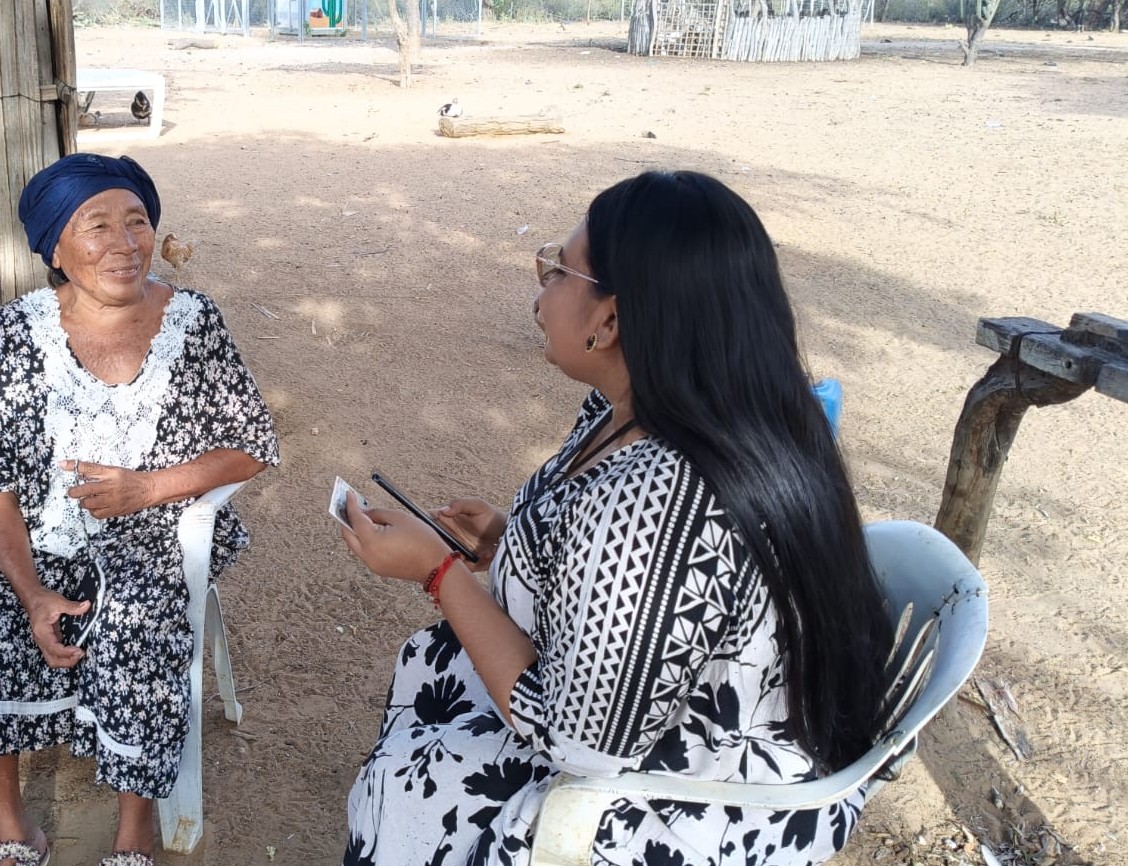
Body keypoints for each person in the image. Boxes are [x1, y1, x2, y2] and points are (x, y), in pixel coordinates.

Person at [338, 171, 894, 866]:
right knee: (441, 681)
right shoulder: (679, 411)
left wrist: (439, 571)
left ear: (611, 320)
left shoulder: (653, 495)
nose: (541, 294)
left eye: (558, 272)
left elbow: (579, 741)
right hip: (682, 720)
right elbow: (642, 594)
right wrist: (511, 544)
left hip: (700, 804)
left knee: (421, 786)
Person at [0, 153, 279, 866]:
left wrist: (145, 489)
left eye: (138, 222)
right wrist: (31, 594)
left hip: (149, 540)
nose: (125, 245)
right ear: (55, 247)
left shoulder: (195, 322)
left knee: (140, 627)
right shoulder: (15, 335)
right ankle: (14, 829)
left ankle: (134, 832)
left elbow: (253, 446)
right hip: (29, 549)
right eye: (98, 227)